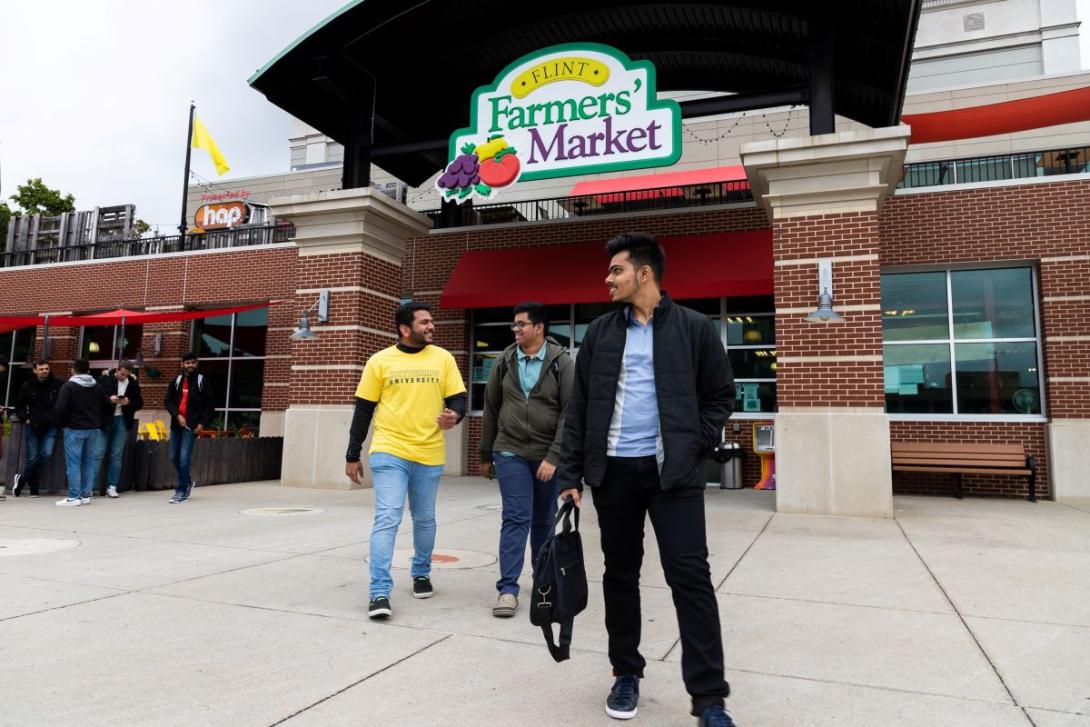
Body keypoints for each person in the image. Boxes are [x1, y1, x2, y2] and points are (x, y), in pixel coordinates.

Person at [557, 233, 737, 727]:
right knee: (620, 575)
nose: (607, 279)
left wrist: (691, 444)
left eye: (615, 270)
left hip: (672, 475)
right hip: (613, 471)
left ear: (644, 273)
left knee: (691, 578)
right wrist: (570, 472)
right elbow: (581, 408)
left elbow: (722, 396)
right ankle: (626, 672)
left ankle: (709, 699)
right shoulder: (599, 332)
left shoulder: (694, 329)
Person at [345, 301, 467, 620]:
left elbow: (458, 397)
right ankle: (379, 591)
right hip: (389, 449)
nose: (431, 326)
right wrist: (352, 453)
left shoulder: (443, 358)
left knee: (424, 518)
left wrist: (456, 414)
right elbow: (363, 410)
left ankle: (421, 572)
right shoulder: (379, 361)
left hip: (428, 451)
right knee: (388, 517)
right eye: (424, 322)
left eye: (431, 322)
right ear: (404, 328)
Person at [479, 301, 573, 618]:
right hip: (511, 451)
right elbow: (491, 408)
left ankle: (544, 581)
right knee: (516, 517)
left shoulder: (561, 363)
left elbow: (569, 413)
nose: (516, 329)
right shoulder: (504, 361)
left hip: (548, 454)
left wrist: (555, 455)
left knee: (544, 520)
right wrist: (485, 452)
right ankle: (507, 590)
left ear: (539, 327)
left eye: (522, 324)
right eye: (515, 325)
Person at [53, 359, 112, 507]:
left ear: (73, 369)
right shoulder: (97, 386)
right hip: (93, 429)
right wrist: (99, 421)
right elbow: (107, 405)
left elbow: (60, 409)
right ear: (88, 370)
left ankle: (74, 496)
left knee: (73, 464)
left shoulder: (69, 387)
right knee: (89, 462)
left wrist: (62, 424)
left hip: (74, 428)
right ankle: (85, 495)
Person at [164, 352, 215, 504]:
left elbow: (210, 406)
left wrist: (202, 424)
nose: (190, 365)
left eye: (193, 362)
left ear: (196, 363)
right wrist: (177, 415)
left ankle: (181, 491)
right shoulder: (176, 381)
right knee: (174, 456)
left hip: (191, 428)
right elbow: (168, 401)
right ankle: (187, 480)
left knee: (184, 458)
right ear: (182, 364)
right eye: (187, 363)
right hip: (176, 426)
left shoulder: (202, 381)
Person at [12, 360, 63, 498]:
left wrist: (57, 418)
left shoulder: (58, 385)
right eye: (41, 369)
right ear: (35, 370)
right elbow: (19, 406)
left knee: (46, 453)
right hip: (32, 426)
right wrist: (25, 418)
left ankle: (21, 479)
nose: (45, 371)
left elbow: (63, 404)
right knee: (33, 457)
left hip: (51, 426)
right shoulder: (27, 386)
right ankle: (34, 489)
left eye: (46, 368)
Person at [97, 360, 143, 498]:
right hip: (105, 420)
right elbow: (95, 398)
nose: (124, 377)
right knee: (97, 454)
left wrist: (128, 402)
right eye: (122, 374)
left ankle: (112, 486)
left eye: (126, 375)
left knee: (116, 455)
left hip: (123, 420)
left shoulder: (133, 384)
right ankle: (90, 487)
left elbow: (139, 403)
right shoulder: (103, 380)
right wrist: (109, 399)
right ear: (117, 370)